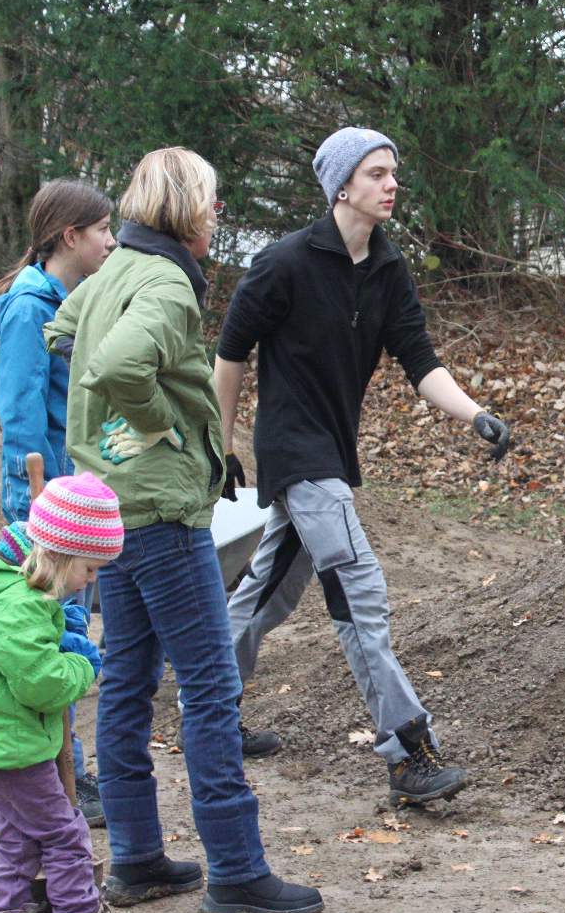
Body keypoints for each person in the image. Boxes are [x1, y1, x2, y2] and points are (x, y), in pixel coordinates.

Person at [45, 147, 322, 913]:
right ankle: (237, 870)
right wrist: (162, 425)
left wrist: (114, 433)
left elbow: (61, 329)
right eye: (210, 200)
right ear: (183, 208)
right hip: (163, 512)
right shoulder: (166, 282)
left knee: (127, 682)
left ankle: (136, 857)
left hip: (112, 506)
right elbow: (118, 365)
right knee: (209, 685)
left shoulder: (117, 268)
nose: (216, 213)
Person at [215, 126, 510, 806]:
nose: (391, 184)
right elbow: (229, 354)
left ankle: (209, 707)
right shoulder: (284, 263)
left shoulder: (387, 267)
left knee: (269, 590)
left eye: (393, 172)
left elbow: (419, 360)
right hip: (296, 452)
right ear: (342, 186)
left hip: (331, 453)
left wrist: (475, 414)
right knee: (360, 592)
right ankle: (406, 751)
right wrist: (221, 444)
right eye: (377, 173)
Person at [0, 475, 146, 913]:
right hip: (11, 747)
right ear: (61, 556)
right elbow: (43, 685)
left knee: (19, 839)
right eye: (89, 569)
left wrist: (56, 626)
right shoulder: (18, 606)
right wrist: (81, 662)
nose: (91, 580)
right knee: (65, 837)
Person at [0, 178, 116, 829]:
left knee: (73, 626)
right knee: (53, 631)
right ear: (70, 236)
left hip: (73, 493)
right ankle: (65, 775)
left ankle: (69, 771)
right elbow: (20, 412)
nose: (111, 242)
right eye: (102, 230)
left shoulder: (74, 300)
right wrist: (31, 503)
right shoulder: (28, 309)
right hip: (44, 500)